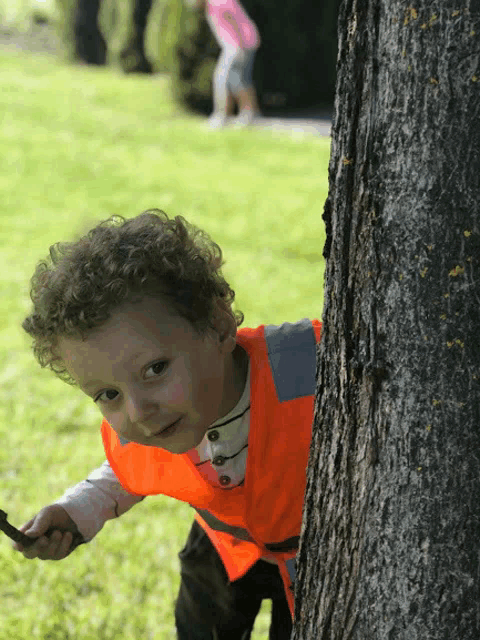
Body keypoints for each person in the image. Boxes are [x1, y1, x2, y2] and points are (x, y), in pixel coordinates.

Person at [13, 211, 321, 639]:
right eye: (108, 394)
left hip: (317, 554)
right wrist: (74, 512)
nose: (138, 411)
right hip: (222, 546)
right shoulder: (157, 419)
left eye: (155, 368)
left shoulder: (307, 368)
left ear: (218, 326)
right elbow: (128, 471)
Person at [194, 0, 261, 129]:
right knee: (238, 80)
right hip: (238, 44)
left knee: (224, 79)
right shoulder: (213, 4)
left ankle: (224, 116)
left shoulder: (217, 4)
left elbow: (235, 22)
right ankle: (248, 114)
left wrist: (240, 46)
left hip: (240, 44)